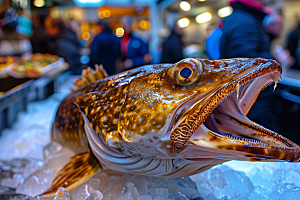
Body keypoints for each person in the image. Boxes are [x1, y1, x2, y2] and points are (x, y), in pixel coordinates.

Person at [219, 0, 276, 130]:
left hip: (244, 100)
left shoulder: (240, 18)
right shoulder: (245, 21)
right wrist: (275, 60)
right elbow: (247, 61)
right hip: (251, 103)